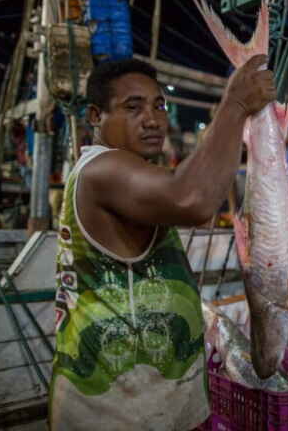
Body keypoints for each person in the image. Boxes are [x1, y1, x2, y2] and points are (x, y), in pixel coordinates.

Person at [49, 56, 275, 430]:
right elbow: (191, 200)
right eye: (133, 107)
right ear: (95, 116)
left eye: (159, 106)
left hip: (149, 398)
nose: (152, 119)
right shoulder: (101, 169)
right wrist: (234, 105)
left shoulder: (131, 169)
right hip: (115, 407)